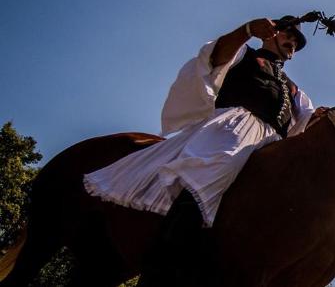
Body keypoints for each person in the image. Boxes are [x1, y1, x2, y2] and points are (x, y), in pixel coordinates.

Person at [83, 15, 316, 285]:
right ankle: (163, 264)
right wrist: (247, 30)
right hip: (232, 131)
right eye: (289, 35)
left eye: (297, 42)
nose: (293, 43)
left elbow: (306, 123)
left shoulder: (295, 90)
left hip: (270, 142)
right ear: (271, 33)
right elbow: (215, 56)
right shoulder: (245, 55)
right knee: (216, 165)